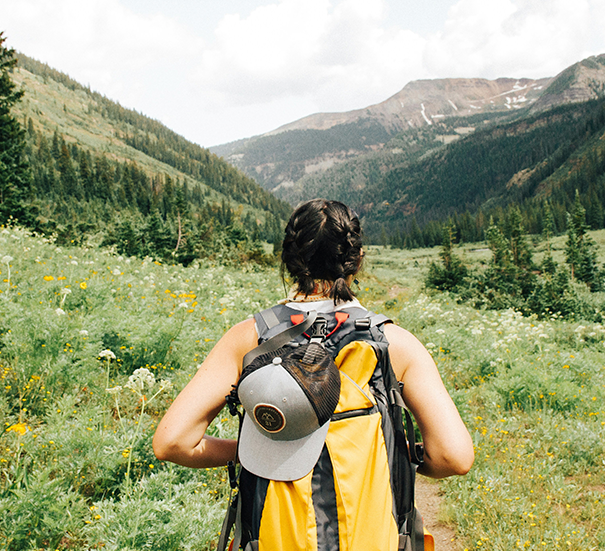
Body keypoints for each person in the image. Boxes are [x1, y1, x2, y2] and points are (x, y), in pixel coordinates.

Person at [153, 198, 473, 547]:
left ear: (289, 259)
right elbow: (453, 457)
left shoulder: (249, 338)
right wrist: (399, 454)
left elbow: (172, 442)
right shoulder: (394, 343)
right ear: (357, 259)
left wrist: (252, 449)